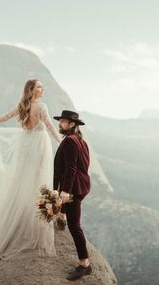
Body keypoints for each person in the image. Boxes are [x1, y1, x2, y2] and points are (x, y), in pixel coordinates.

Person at [0, 79, 62, 275]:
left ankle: (22, 217)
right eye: (39, 86)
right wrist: (62, 141)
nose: (42, 89)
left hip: (25, 145)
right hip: (39, 145)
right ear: (32, 90)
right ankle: (35, 222)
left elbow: (4, 117)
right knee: (40, 182)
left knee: (24, 182)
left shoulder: (22, 105)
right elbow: (49, 126)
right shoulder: (41, 106)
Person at [53, 110, 92, 281]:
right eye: (60, 120)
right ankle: (61, 216)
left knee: (75, 226)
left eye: (63, 121)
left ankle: (85, 265)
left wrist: (65, 192)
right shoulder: (80, 140)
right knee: (71, 221)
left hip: (74, 188)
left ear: (72, 124)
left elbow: (71, 168)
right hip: (80, 186)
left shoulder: (70, 141)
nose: (60, 123)